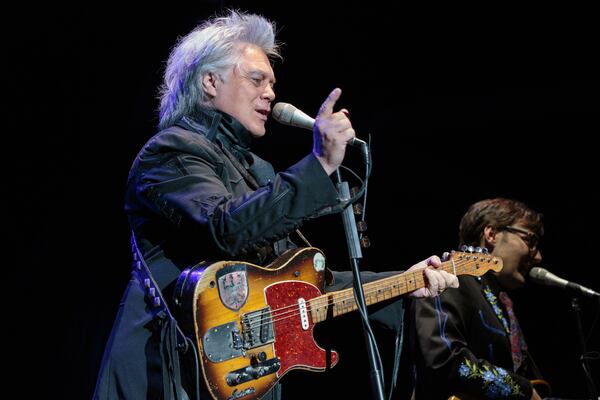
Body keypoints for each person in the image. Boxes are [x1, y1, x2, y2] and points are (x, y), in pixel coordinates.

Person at [93, 10, 458, 400]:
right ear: (209, 82)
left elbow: (306, 281)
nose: (270, 93)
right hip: (169, 372)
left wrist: (403, 282)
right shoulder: (170, 152)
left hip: (243, 377)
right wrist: (318, 166)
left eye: (272, 83)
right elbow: (225, 229)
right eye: (256, 79)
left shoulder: (258, 169)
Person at [409, 198, 547, 400]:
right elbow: (442, 361)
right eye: (530, 240)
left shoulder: (501, 301)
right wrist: (522, 390)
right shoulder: (448, 279)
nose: (538, 257)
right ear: (491, 234)